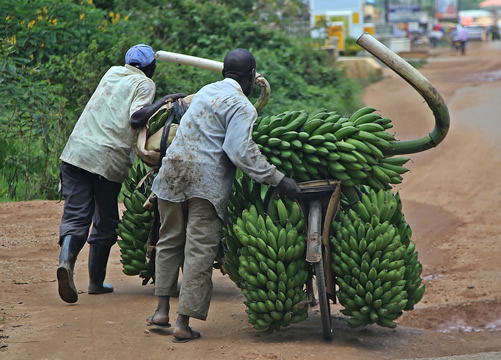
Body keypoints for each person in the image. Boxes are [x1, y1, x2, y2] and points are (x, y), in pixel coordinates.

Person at [146, 48, 302, 343]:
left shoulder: (205, 91)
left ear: (223, 73)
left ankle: (161, 311)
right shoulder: (243, 106)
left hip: (171, 174)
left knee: (168, 241)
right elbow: (239, 151)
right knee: (199, 250)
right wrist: (278, 180)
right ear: (252, 75)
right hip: (206, 182)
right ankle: (182, 323)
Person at [56, 44, 185, 304]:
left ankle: (66, 263)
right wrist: (165, 101)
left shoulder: (113, 72)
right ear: (151, 68)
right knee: (105, 219)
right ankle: (94, 282)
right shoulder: (145, 84)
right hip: (106, 159)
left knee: (76, 213)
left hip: (76, 152)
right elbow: (136, 118)